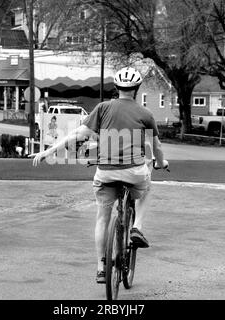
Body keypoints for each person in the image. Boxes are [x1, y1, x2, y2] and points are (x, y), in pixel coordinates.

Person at [32, 67, 169, 284]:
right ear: (136, 89)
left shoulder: (103, 108)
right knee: (146, 182)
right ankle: (137, 227)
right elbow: (156, 145)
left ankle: (101, 268)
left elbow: (78, 134)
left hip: (106, 172)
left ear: (116, 88)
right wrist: (161, 162)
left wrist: (48, 151)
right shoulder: (145, 113)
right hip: (134, 171)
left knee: (102, 218)